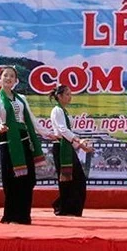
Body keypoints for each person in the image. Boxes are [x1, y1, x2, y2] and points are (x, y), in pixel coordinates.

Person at [0, 66, 49, 224]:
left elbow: (31, 119)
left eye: (12, 76)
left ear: (16, 80)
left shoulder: (21, 98)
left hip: (24, 139)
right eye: (5, 75)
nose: (8, 78)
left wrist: (45, 133)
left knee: (28, 179)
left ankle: (23, 215)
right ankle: (11, 215)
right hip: (8, 139)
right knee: (11, 179)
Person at [49, 84, 93, 217]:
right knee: (68, 179)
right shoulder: (57, 110)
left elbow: (68, 133)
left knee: (76, 179)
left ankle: (67, 207)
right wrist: (79, 140)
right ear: (59, 96)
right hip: (61, 147)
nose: (70, 97)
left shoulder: (64, 111)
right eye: (67, 94)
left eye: (70, 94)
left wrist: (80, 145)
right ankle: (64, 208)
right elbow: (63, 130)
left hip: (67, 147)